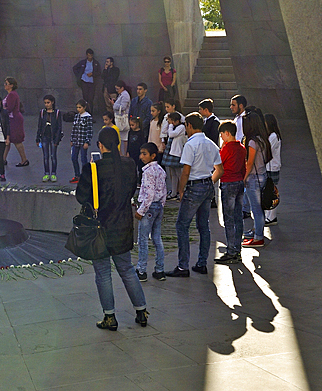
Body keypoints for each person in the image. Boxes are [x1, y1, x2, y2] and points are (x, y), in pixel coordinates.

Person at [76, 127, 149, 330]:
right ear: (117, 144)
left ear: (100, 145)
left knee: (103, 273)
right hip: (123, 224)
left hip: (100, 228)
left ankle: (110, 317)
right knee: (126, 269)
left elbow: (81, 197)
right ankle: (141, 311)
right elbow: (131, 189)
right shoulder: (129, 164)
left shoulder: (92, 169)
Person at [166, 113, 223, 278]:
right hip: (207, 185)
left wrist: (181, 190)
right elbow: (220, 170)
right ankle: (201, 263)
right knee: (203, 226)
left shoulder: (191, 145)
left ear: (189, 126)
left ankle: (183, 266)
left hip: (194, 186)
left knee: (182, 225)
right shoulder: (210, 144)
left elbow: (185, 171)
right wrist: (208, 182)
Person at [134, 143, 167, 281]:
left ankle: (141, 270)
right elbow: (164, 190)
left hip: (149, 208)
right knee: (157, 238)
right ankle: (159, 269)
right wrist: (162, 205)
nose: (141, 156)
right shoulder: (160, 170)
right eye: (141, 153)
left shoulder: (148, 172)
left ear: (153, 156)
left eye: (144, 154)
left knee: (143, 239)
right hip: (158, 206)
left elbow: (150, 193)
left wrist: (141, 210)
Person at [214, 120, 246, 264]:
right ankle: (237, 249)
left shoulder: (227, 149)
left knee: (229, 218)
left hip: (228, 183)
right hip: (239, 182)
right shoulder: (241, 148)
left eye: (222, 134)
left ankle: (231, 250)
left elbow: (218, 164)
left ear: (227, 133)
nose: (221, 137)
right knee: (238, 217)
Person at [242, 110, 272, 248]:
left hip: (254, 178)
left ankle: (258, 238)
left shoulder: (253, 142)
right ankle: (256, 234)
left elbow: (249, 163)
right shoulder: (262, 139)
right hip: (262, 175)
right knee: (259, 209)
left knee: (256, 210)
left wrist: (243, 178)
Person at [35, 95, 63, 182]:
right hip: (44, 137)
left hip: (53, 137)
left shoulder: (57, 113)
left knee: (53, 156)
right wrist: (37, 138)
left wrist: (57, 139)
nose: (47, 105)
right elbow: (39, 126)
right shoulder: (42, 112)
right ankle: (46, 173)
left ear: (52, 102)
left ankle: (53, 173)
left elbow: (59, 127)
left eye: (48, 102)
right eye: (45, 103)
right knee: (45, 156)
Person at [3, 77, 29, 167]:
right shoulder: (11, 94)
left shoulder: (12, 95)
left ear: (11, 85)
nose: (5, 85)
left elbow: (10, 108)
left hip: (14, 119)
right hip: (12, 118)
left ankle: (24, 159)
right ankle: (3, 159)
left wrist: (2, 110)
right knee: (8, 140)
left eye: (6, 83)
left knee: (17, 140)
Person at [69, 99, 93, 184]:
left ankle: (85, 175)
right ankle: (77, 175)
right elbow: (74, 129)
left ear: (84, 107)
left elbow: (89, 130)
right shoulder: (76, 116)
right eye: (77, 107)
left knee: (83, 159)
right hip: (76, 141)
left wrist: (87, 141)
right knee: (73, 158)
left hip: (83, 141)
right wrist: (72, 139)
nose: (78, 109)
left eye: (80, 107)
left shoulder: (88, 117)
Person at [264, 113, 282, 225]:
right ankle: (269, 215)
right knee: (268, 191)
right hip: (270, 167)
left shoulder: (274, 136)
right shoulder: (271, 136)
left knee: (272, 192)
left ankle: (272, 216)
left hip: (272, 168)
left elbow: (267, 150)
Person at [162, 111, 184, 200]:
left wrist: (170, 126)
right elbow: (164, 131)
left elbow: (171, 134)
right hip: (171, 150)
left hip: (177, 152)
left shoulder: (181, 127)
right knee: (173, 173)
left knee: (179, 173)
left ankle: (181, 191)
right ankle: (173, 192)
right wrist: (168, 123)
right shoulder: (172, 126)